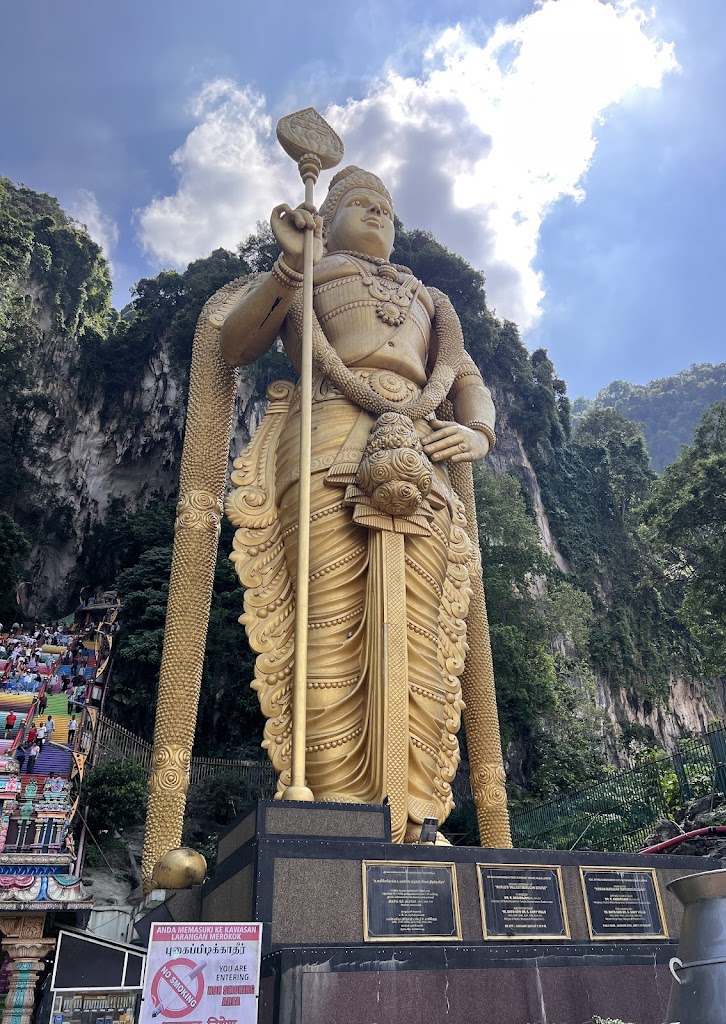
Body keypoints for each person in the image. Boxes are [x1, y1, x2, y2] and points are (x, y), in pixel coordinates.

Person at [218, 166, 496, 843]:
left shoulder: (429, 299)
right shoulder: (307, 272)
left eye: (387, 209)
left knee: (422, 631)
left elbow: (467, 380)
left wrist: (478, 433)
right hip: (325, 433)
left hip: (421, 451)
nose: (377, 215)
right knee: (327, 617)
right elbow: (235, 344)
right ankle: (331, 805)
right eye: (361, 204)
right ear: (331, 213)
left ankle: (418, 812)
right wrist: (290, 266)